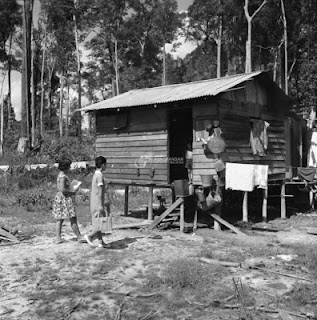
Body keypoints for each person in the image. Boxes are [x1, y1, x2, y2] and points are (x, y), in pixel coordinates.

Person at [52, 158, 86, 244]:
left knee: (60, 218)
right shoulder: (63, 177)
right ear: (66, 167)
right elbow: (62, 189)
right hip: (65, 198)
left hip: (60, 198)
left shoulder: (60, 175)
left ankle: (58, 238)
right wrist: (72, 192)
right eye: (69, 166)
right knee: (72, 217)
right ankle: (79, 236)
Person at [84, 156, 111, 248]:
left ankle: (100, 242)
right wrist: (100, 205)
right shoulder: (99, 175)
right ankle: (89, 236)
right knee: (99, 223)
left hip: (95, 201)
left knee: (98, 221)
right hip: (97, 202)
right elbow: (100, 191)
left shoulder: (96, 174)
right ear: (103, 165)